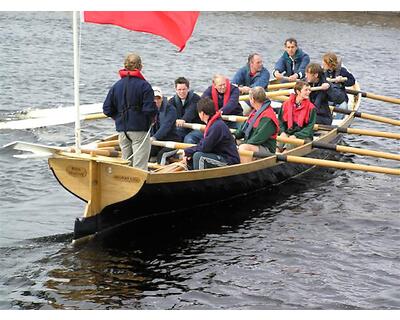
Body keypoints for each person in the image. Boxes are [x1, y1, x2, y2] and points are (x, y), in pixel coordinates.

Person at [103, 53, 157, 170]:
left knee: (126, 164)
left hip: (122, 130)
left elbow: (107, 109)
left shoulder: (116, 86)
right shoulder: (145, 86)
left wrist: (117, 117)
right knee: (139, 166)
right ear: (140, 67)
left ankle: (124, 185)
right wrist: (152, 119)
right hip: (139, 130)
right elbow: (149, 110)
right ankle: (140, 187)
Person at [183, 97, 240, 170]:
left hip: (229, 160)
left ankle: (199, 180)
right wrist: (189, 153)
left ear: (202, 113)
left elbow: (205, 147)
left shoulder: (217, 126)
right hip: (219, 155)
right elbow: (203, 143)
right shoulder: (213, 124)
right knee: (192, 157)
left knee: (199, 156)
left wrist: (188, 151)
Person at [234, 87, 279, 163]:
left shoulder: (268, 117)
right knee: (229, 142)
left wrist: (242, 144)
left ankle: (245, 170)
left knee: (243, 148)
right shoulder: (255, 112)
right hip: (253, 143)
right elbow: (242, 131)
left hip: (266, 148)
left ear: (252, 100)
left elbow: (258, 139)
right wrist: (233, 136)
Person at [277, 81, 316, 152]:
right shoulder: (285, 104)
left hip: (304, 136)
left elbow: (310, 127)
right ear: (298, 92)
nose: (309, 92)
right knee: (279, 143)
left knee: (290, 145)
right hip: (288, 133)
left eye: (309, 90)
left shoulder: (311, 108)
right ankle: (275, 155)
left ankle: (284, 155)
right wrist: (282, 132)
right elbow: (280, 121)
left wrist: (296, 135)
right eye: (306, 90)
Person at [149, 87, 180, 165]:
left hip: (172, 142)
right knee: (145, 151)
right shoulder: (149, 110)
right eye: (154, 98)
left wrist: (154, 137)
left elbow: (166, 126)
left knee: (161, 155)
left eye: (158, 98)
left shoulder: (171, 110)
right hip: (157, 143)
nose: (156, 101)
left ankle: (159, 174)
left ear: (162, 98)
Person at [168, 77, 202, 144]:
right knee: (171, 136)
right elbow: (169, 114)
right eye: (179, 89)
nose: (182, 92)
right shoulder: (172, 101)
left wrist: (184, 119)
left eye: (184, 89)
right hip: (182, 128)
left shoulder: (196, 98)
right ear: (176, 90)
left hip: (197, 128)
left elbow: (191, 111)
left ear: (188, 89)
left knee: (189, 139)